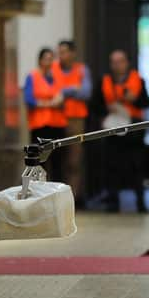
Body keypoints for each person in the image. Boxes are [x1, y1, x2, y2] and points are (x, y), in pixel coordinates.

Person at [94, 50, 149, 213]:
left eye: (120, 61)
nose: (117, 65)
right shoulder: (104, 81)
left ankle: (140, 203)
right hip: (113, 128)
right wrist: (106, 109)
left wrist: (135, 99)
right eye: (114, 62)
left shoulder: (138, 80)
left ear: (127, 63)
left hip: (134, 127)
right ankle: (113, 202)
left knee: (137, 165)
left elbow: (146, 102)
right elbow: (95, 105)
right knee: (112, 166)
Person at [52, 40, 92, 206]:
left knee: (74, 161)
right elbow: (49, 92)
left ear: (73, 53)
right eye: (59, 52)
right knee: (54, 161)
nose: (61, 56)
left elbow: (86, 92)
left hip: (75, 121)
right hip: (55, 119)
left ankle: (73, 198)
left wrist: (65, 92)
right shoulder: (52, 69)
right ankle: (53, 198)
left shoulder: (81, 70)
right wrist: (73, 89)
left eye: (65, 52)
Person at [23, 47, 67, 182]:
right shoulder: (33, 76)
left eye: (51, 59)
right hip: (40, 127)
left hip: (57, 125)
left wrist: (57, 101)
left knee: (58, 163)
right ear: (40, 61)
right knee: (39, 164)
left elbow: (62, 98)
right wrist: (48, 103)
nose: (49, 62)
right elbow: (29, 99)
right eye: (46, 59)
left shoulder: (58, 77)